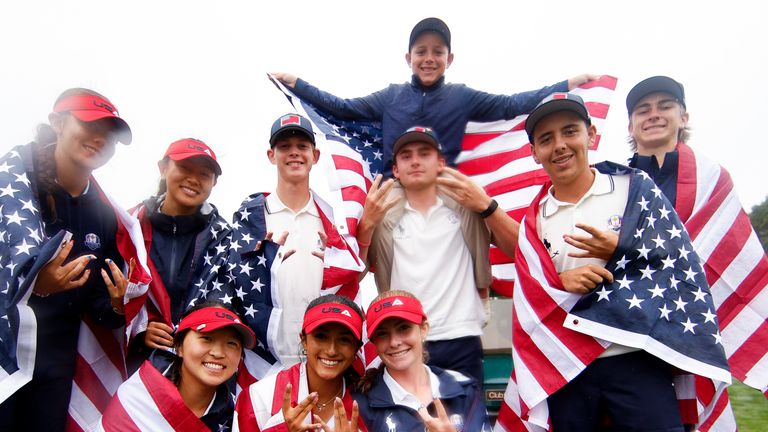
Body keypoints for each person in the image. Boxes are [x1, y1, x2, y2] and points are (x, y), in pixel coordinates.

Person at [496, 92, 730, 431]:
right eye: (546, 139)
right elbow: (531, 293)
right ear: (534, 152)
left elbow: (678, 260)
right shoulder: (535, 219)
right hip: (568, 366)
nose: (560, 145)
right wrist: (560, 284)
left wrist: (625, 248)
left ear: (591, 135)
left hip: (636, 355)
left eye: (570, 131)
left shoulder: (633, 189)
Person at [272, 17, 596, 176]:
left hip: (446, 191)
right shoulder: (390, 96)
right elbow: (342, 109)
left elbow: (512, 105)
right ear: (408, 58)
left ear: (449, 59)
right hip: (394, 192)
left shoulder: (462, 96)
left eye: (437, 52)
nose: (429, 59)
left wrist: (566, 85)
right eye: (421, 52)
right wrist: (297, 84)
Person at [626, 75, 768, 424]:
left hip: (691, 329)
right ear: (630, 125)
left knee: (691, 420)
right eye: (643, 110)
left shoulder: (713, 179)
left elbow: (733, 259)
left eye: (665, 106)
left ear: (684, 116)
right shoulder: (613, 183)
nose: (654, 115)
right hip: (630, 332)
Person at [0, 88, 137, 431]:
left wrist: (118, 305)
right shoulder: (12, 188)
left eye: (109, 134)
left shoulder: (105, 216)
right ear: (58, 123)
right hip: (5, 355)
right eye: (90, 125)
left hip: (55, 370)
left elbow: (96, 303)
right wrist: (34, 285)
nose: (100, 139)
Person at [357, 126, 512, 384]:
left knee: (464, 410)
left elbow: (521, 249)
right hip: (405, 337)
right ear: (396, 169)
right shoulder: (381, 211)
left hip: (460, 334)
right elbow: (356, 273)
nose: (415, 161)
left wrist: (487, 206)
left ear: (440, 163)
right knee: (411, 410)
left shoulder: (469, 202)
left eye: (424, 153)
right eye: (406, 155)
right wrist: (366, 225)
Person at [230, 113, 364, 367]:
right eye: (285, 146)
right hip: (264, 360)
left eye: (302, 146)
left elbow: (352, 280)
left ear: (315, 156)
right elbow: (234, 284)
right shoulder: (252, 218)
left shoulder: (334, 220)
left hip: (322, 356)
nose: (294, 153)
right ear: (271, 155)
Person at [129, 138, 228, 367]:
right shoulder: (130, 226)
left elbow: (229, 305)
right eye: (184, 167)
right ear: (163, 168)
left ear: (214, 182)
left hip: (199, 366)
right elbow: (106, 298)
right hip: (135, 365)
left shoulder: (225, 239)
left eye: (204, 174)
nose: (193, 179)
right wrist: (139, 327)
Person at [100, 301, 255, 431]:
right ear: (179, 347)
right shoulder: (139, 396)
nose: (218, 353)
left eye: (231, 343)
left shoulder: (234, 419)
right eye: (207, 338)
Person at [355, 290, 491, 431]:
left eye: (403, 328)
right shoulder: (360, 405)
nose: (394, 342)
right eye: (382, 333)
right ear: (373, 342)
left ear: (423, 329)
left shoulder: (464, 389)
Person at [233, 294, 365, 432]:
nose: (331, 351)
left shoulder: (367, 406)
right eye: (321, 336)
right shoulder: (260, 397)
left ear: (356, 348)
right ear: (304, 340)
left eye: (344, 340)